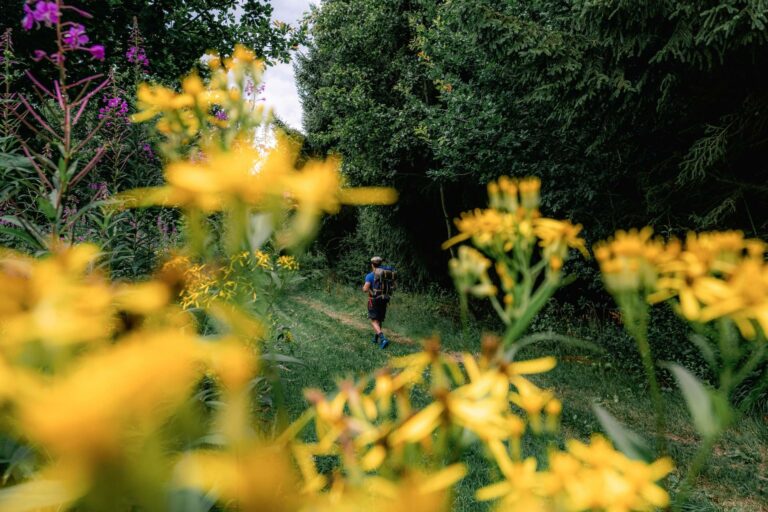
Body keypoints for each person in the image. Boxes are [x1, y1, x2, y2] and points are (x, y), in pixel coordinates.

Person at [363, 256, 390, 349]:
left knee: (374, 321)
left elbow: (365, 289)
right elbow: (394, 286)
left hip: (373, 300)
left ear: (372, 264)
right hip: (384, 299)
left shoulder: (370, 275)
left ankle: (383, 339)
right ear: (380, 264)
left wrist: (366, 289)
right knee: (379, 319)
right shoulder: (386, 275)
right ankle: (375, 338)